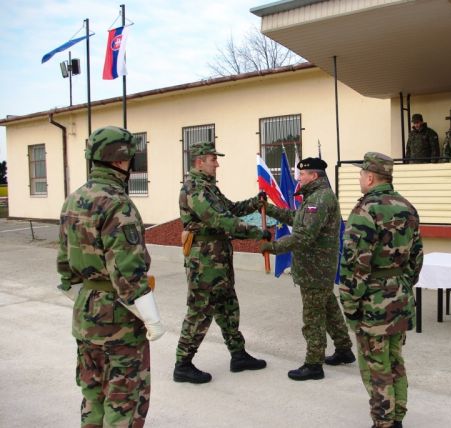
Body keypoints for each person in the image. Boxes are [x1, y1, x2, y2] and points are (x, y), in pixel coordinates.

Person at [57, 126, 166, 427]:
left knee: (92, 394)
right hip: (118, 320)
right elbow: (128, 274)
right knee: (124, 401)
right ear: (120, 159)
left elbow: (64, 267)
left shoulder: (74, 199)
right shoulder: (118, 203)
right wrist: (152, 319)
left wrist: (84, 298)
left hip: (85, 315)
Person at [339, 152, 423, 428]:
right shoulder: (407, 207)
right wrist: (401, 284)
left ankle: (383, 422)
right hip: (400, 298)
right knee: (395, 360)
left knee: (376, 367)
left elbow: (354, 263)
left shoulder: (365, 210)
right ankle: (397, 417)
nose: (360, 178)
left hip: (372, 303)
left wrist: (349, 304)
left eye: (361, 174)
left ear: (371, 178)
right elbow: (416, 258)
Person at [174, 141, 269, 384]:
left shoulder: (209, 188)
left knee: (228, 307)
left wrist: (255, 202)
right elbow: (220, 219)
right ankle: (183, 364)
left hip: (218, 259)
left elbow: (231, 209)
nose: (217, 164)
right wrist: (256, 233)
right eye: (213, 159)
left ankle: (238, 355)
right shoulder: (195, 189)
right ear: (199, 162)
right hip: (204, 262)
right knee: (200, 310)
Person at [260, 157, 355, 381]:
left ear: (314, 175)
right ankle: (344, 349)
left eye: (302, 174)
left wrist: (273, 247)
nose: (299, 178)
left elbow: (304, 235)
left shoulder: (319, 199)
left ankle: (314, 364)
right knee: (329, 308)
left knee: (313, 317)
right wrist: (269, 209)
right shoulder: (315, 196)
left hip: (315, 268)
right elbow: (297, 218)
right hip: (317, 267)